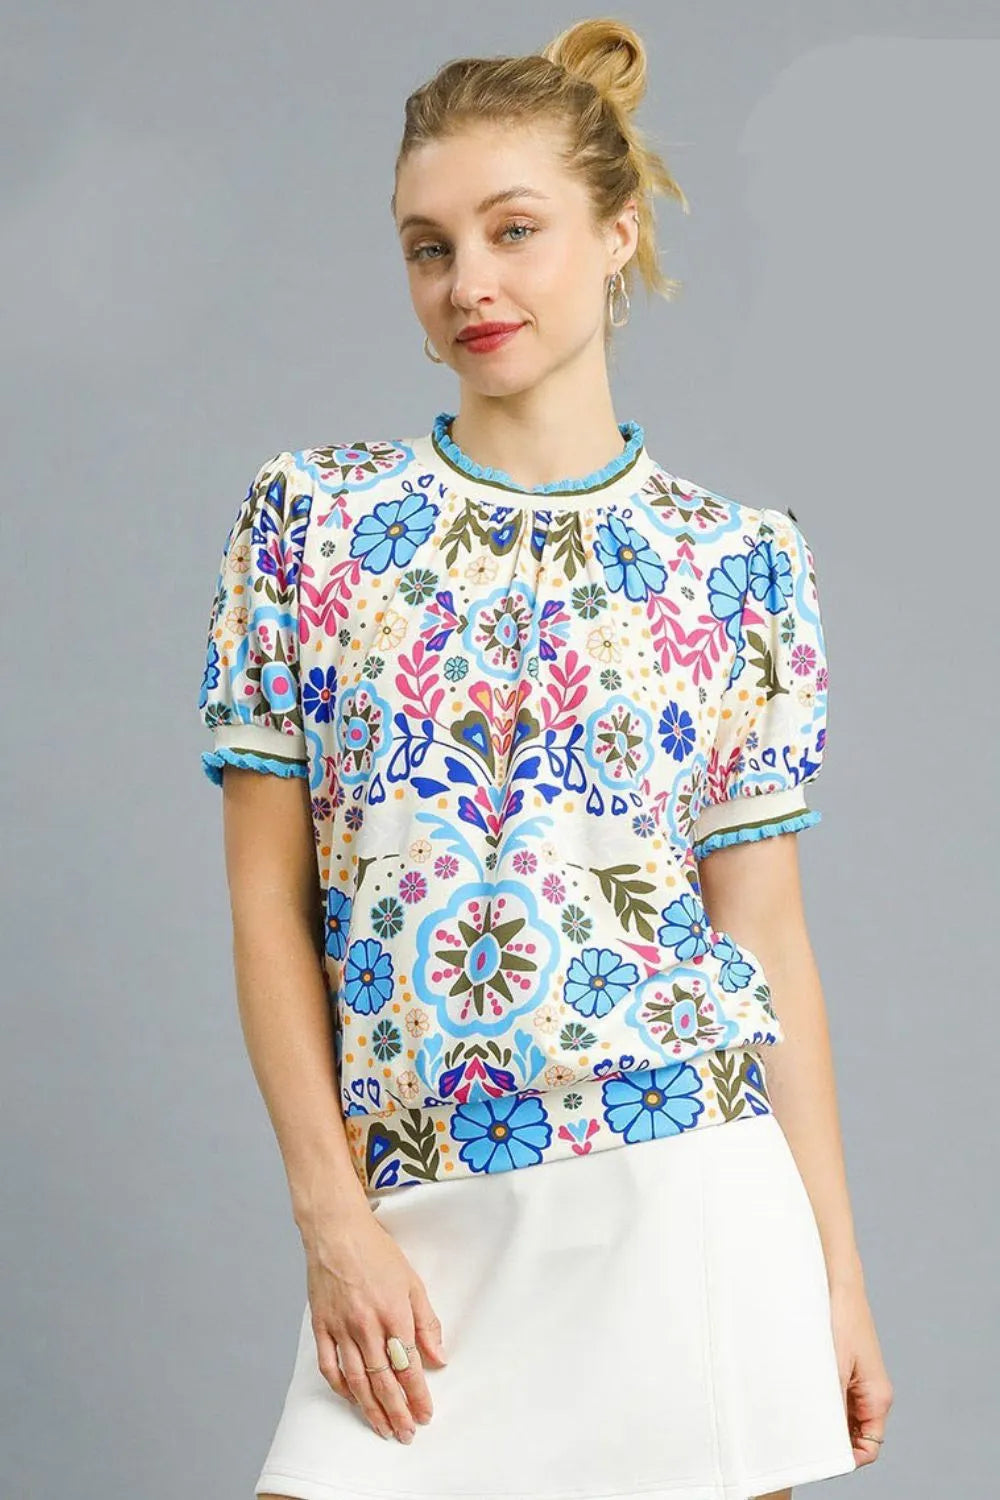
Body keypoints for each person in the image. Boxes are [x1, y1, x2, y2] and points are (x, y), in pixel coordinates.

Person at [197, 17, 893, 1500]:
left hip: (688, 1199)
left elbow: (766, 938)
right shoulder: (310, 523)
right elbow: (268, 906)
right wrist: (331, 1219)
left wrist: (836, 1275)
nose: (470, 284)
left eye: (514, 230)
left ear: (617, 234)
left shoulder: (742, 564)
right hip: (416, 1209)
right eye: (429, 247)